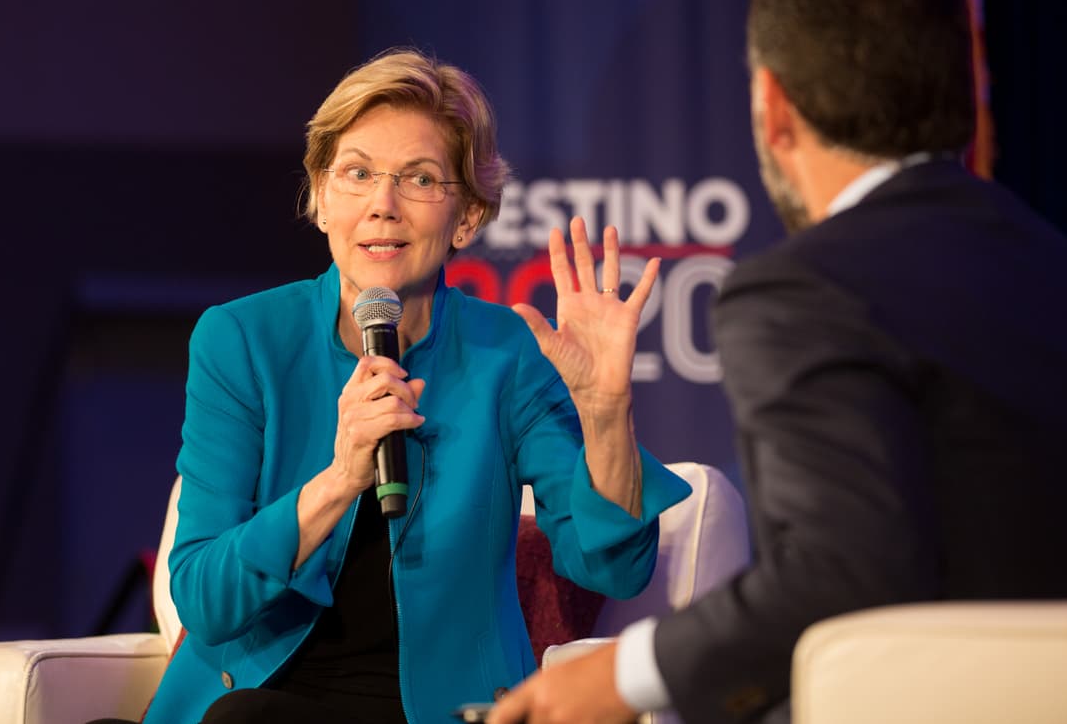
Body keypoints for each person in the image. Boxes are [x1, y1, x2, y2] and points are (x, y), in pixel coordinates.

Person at [490, 0, 1067, 724]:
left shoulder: (806, 289)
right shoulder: (1065, 265)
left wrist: (616, 678)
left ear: (772, 105)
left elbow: (840, 573)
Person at [137, 49, 691, 724]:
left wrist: (607, 412)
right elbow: (202, 596)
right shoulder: (242, 339)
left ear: (466, 216)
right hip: (246, 698)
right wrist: (338, 479)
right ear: (320, 198)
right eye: (357, 173)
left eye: (420, 178)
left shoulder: (506, 352)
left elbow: (610, 568)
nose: (382, 205)